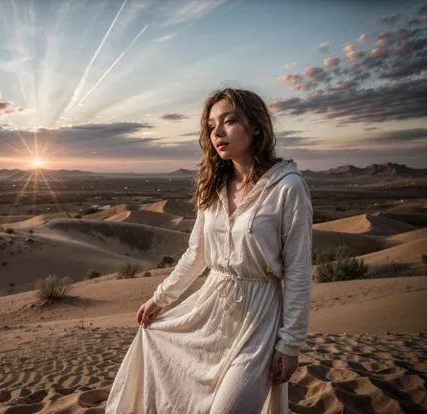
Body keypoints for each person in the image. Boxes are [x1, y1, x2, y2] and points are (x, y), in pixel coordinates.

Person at [105, 88, 313, 414]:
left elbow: (299, 271)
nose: (217, 132)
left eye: (229, 122)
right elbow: (195, 254)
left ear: (256, 126)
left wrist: (291, 344)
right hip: (209, 312)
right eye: (211, 125)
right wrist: (160, 299)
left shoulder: (288, 187)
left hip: (258, 321)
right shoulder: (214, 186)